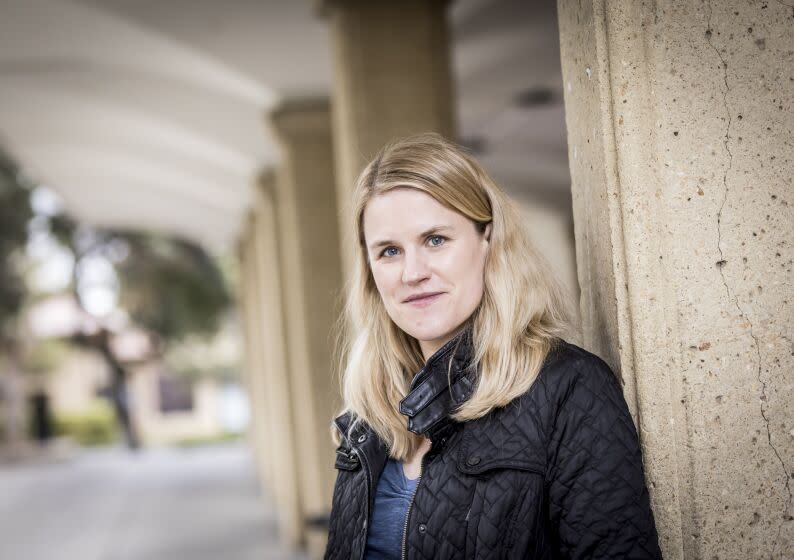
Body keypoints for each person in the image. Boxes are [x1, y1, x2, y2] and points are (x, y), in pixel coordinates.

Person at [324, 133, 662, 559]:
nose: (412, 272)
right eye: (389, 251)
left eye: (435, 240)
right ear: (370, 271)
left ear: (488, 241)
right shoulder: (366, 418)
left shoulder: (569, 389)